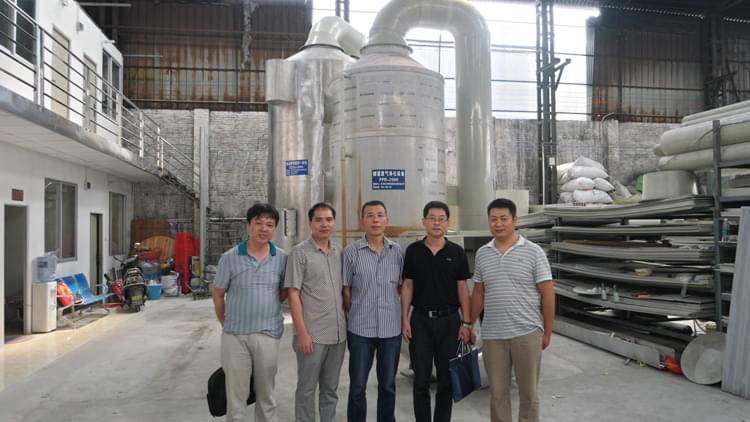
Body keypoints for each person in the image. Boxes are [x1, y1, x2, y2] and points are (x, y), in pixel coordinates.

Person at [469, 198, 555, 422]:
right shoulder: (483, 253)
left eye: (503, 219)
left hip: (526, 333)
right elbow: (478, 293)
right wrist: (469, 323)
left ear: (515, 220)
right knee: (498, 394)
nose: (498, 224)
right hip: (493, 336)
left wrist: (547, 331)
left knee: (529, 395)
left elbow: (548, 293)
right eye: (493, 219)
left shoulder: (534, 252)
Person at [212, 203, 288, 422]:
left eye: (269, 224)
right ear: (249, 226)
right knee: (236, 395)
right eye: (258, 223)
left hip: (268, 334)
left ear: (274, 229)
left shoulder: (281, 258)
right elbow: (218, 294)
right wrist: (226, 323)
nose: (264, 228)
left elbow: (283, 292)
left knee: (266, 394)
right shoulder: (230, 257)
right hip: (235, 336)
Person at [401, 201, 472, 422]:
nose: (436, 223)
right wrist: (405, 319)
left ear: (448, 223)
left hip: (450, 321)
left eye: (441, 219)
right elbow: (407, 285)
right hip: (420, 320)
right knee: (421, 380)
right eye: (432, 218)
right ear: (424, 221)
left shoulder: (456, 252)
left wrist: (466, 323)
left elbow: (463, 288)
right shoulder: (413, 251)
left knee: (446, 380)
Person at [284, 203, 347, 422]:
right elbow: (293, 294)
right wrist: (301, 333)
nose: (324, 224)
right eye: (318, 220)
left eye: (329, 220)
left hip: (338, 335)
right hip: (312, 335)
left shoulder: (339, 252)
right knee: (306, 389)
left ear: (334, 223)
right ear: (310, 223)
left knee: (330, 389)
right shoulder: (299, 253)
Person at [343, 200, 404, 422]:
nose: (375, 220)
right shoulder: (351, 253)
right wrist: (356, 313)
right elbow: (346, 290)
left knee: (387, 385)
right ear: (363, 221)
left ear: (387, 220)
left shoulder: (397, 252)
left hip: (390, 329)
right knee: (358, 386)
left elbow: (401, 287)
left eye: (380, 215)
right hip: (360, 330)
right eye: (370, 215)